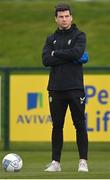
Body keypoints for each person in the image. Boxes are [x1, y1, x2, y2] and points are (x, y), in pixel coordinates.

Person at [42, 3, 88, 172]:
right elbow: (46, 60)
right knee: (57, 126)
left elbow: (77, 53)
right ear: (56, 19)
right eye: (61, 16)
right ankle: (56, 163)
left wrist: (56, 53)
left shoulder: (79, 35)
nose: (64, 19)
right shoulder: (50, 39)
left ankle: (83, 161)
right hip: (55, 88)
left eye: (67, 16)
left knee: (79, 124)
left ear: (71, 17)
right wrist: (65, 55)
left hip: (75, 87)